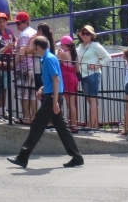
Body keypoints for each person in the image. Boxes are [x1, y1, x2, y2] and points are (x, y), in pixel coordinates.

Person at [7, 37, 84, 169]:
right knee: (62, 129)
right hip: (52, 96)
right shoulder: (48, 58)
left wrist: (54, 101)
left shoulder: (48, 59)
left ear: (37, 47)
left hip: (51, 98)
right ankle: (77, 157)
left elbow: (56, 79)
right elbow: (52, 79)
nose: (33, 49)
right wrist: (42, 89)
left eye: (34, 46)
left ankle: (22, 158)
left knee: (36, 126)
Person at [76, 25, 110, 132]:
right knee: (91, 101)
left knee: (92, 100)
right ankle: (95, 125)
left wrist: (98, 65)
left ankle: (90, 125)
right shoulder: (80, 46)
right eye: (83, 33)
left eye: (88, 33)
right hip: (83, 75)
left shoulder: (95, 45)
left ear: (91, 35)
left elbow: (107, 57)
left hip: (93, 74)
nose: (85, 35)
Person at [14, 13, 38, 124]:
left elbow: (23, 50)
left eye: (19, 23)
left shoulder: (24, 34)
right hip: (32, 67)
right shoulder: (34, 32)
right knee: (32, 95)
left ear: (26, 22)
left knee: (23, 95)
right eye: (16, 23)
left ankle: (27, 118)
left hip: (23, 67)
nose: (17, 25)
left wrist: (12, 63)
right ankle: (34, 117)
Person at [57, 36, 80, 132]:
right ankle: (73, 124)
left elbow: (57, 63)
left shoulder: (64, 54)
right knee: (72, 103)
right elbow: (77, 69)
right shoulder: (75, 54)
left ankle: (73, 125)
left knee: (69, 104)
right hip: (73, 78)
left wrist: (58, 55)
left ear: (63, 45)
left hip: (67, 79)